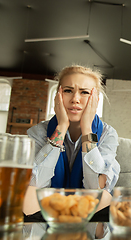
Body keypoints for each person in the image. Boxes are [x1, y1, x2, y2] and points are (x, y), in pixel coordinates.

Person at [23, 65, 120, 220]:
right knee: (28, 194)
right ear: (58, 96)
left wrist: (87, 129)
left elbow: (96, 187)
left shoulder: (108, 134)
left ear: (95, 99)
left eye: (85, 92)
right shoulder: (38, 132)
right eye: (68, 90)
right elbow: (35, 182)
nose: (75, 99)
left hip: (88, 208)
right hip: (48, 205)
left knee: (103, 197)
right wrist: (61, 128)